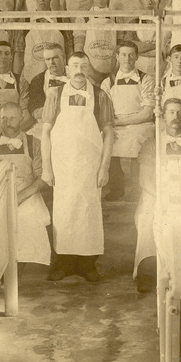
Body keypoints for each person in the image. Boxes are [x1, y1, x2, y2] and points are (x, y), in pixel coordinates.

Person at [40, 51, 115, 282]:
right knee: (64, 212)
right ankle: (63, 263)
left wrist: (104, 168)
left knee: (88, 211)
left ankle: (87, 264)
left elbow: (109, 133)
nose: (79, 70)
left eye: (84, 66)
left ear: (89, 69)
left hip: (89, 165)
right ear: (68, 69)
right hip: (63, 164)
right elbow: (45, 132)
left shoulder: (100, 95)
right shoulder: (55, 94)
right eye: (75, 66)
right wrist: (47, 167)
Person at [135, 97, 181, 292]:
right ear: (164, 116)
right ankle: (148, 272)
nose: (175, 117)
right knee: (147, 218)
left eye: (179, 113)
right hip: (156, 194)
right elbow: (145, 179)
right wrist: (161, 197)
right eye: (171, 112)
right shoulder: (152, 143)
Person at [0, 102, 51, 267]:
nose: (8, 122)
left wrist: (20, 197)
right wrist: (2, 198)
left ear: (22, 118)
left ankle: (17, 268)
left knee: (27, 220)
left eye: (12, 118)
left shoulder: (34, 143)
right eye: (3, 118)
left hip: (27, 195)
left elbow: (44, 178)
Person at [100, 41, 156, 201]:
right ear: (117, 56)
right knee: (108, 140)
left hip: (140, 124)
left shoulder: (146, 79)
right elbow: (105, 112)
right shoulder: (108, 82)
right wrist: (114, 123)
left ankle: (136, 188)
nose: (127, 58)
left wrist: (118, 121)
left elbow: (146, 113)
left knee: (139, 141)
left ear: (137, 56)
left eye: (131, 54)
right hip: (116, 124)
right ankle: (116, 188)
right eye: (123, 54)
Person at [15, 0, 71, 83]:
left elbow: (70, 49)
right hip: (31, 77)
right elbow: (19, 53)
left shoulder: (62, 19)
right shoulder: (25, 21)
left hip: (58, 78)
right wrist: (18, 78)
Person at [73, 0, 119, 83]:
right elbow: (78, 50)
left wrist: (113, 73)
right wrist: (91, 73)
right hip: (89, 76)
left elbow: (121, 46)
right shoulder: (83, 17)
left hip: (112, 76)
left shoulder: (117, 16)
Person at [128, 0, 163, 77]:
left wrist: (141, 50)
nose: (149, 2)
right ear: (141, 2)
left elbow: (168, 48)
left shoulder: (167, 22)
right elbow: (130, 46)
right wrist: (158, 47)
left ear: (159, 0)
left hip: (162, 67)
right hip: (139, 68)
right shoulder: (134, 22)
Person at [28, 44, 68, 123]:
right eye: (48, 59)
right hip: (47, 123)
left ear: (64, 58)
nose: (51, 62)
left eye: (55, 58)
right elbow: (34, 110)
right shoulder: (38, 80)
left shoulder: (75, 76)